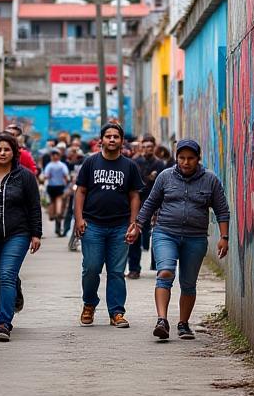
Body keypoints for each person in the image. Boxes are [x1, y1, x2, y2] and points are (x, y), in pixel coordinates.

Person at [127, 138, 230, 341]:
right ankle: (162, 321)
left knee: (188, 283)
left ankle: (183, 324)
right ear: (176, 158)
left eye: (190, 158)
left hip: (195, 237)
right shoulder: (165, 177)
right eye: (181, 158)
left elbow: (222, 210)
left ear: (198, 159)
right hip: (165, 233)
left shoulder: (210, 179)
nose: (185, 162)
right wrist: (137, 225)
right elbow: (150, 203)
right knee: (165, 272)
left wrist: (224, 237)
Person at [74, 122, 145, 328]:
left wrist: (134, 223)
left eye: (116, 136)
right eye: (108, 136)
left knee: (116, 271)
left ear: (122, 141)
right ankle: (89, 304)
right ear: (101, 140)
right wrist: (79, 219)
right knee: (91, 268)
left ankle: (116, 312)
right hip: (93, 225)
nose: (112, 139)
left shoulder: (130, 166)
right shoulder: (90, 163)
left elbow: (134, 196)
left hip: (119, 226)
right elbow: (81, 191)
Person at [0, 132, 42, 342]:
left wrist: (36, 234)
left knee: (7, 274)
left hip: (18, 234)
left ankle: (3, 323)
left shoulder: (25, 176)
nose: (2, 153)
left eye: (6, 149)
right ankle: (0, 313)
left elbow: (34, 206)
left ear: (14, 152)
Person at [129, 134, 166, 279]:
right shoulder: (135, 162)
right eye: (144, 147)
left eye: (149, 147)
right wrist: (147, 178)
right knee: (134, 234)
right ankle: (134, 268)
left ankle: (159, 267)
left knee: (157, 234)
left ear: (154, 147)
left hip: (155, 203)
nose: (146, 150)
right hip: (138, 202)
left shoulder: (160, 164)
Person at [41, 149, 70, 236]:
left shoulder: (49, 165)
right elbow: (66, 176)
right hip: (60, 186)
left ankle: (52, 215)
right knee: (59, 201)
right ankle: (58, 215)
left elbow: (45, 176)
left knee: (52, 201)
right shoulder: (62, 165)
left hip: (51, 186)